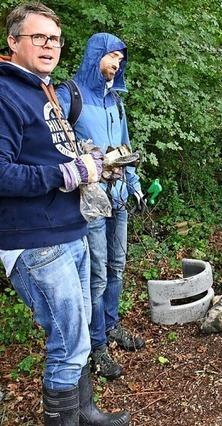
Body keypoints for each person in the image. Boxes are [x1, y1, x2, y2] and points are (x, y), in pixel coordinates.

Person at [0, 3, 129, 424]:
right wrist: (68, 172)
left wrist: (87, 158)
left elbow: (48, 149)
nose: (49, 46)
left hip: (69, 226)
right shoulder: (5, 92)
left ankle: (86, 412)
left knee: (80, 333)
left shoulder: (44, 89)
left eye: (54, 39)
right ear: (13, 41)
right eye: (38, 37)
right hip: (35, 238)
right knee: (68, 342)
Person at [57, 32, 145, 381]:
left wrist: (134, 185)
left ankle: (110, 326)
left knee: (117, 267)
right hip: (89, 198)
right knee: (95, 275)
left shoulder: (114, 102)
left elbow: (125, 146)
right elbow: (54, 141)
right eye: (112, 57)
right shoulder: (69, 95)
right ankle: (96, 345)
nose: (116, 64)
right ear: (96, 55)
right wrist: (85, 159)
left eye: (121, 60)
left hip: (119, 195)